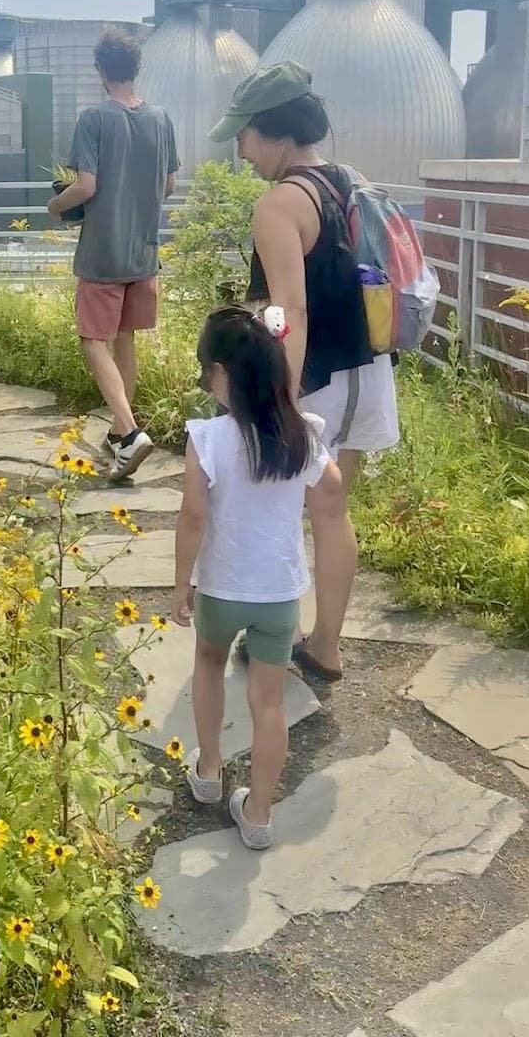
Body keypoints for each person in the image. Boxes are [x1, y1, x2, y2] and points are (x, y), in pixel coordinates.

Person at [209, 62, 397, 681]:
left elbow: (289, 309)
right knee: (331, 512)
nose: (239, 149)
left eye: (244, 135)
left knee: (285, 511)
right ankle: (324, 644)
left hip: (313, 378)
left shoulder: (280, 203)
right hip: (367, 373)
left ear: (275, 133)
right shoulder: (350, 182)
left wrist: (279, 402)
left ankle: (283, 637)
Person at [170, 305, 349, 848]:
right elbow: (334, 489)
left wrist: (182, 584)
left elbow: (193, 516)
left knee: (207, 663)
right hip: (278, 596)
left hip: (222, 588)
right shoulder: (303, 435)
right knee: (269, 705)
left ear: (223, 374)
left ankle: (208, 771)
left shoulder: (208, 438)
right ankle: (260, 814)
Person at [48, 27, 179, 481]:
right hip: (144, 251)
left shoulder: (94, 119)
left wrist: (55, 204)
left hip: (103, 252)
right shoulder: (161, 119)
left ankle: (127, 432)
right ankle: (121, 434)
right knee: (125, 339)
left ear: (101, 70)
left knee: (92, 339)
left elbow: (86, 187)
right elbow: (169, 185)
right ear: (135, 69)